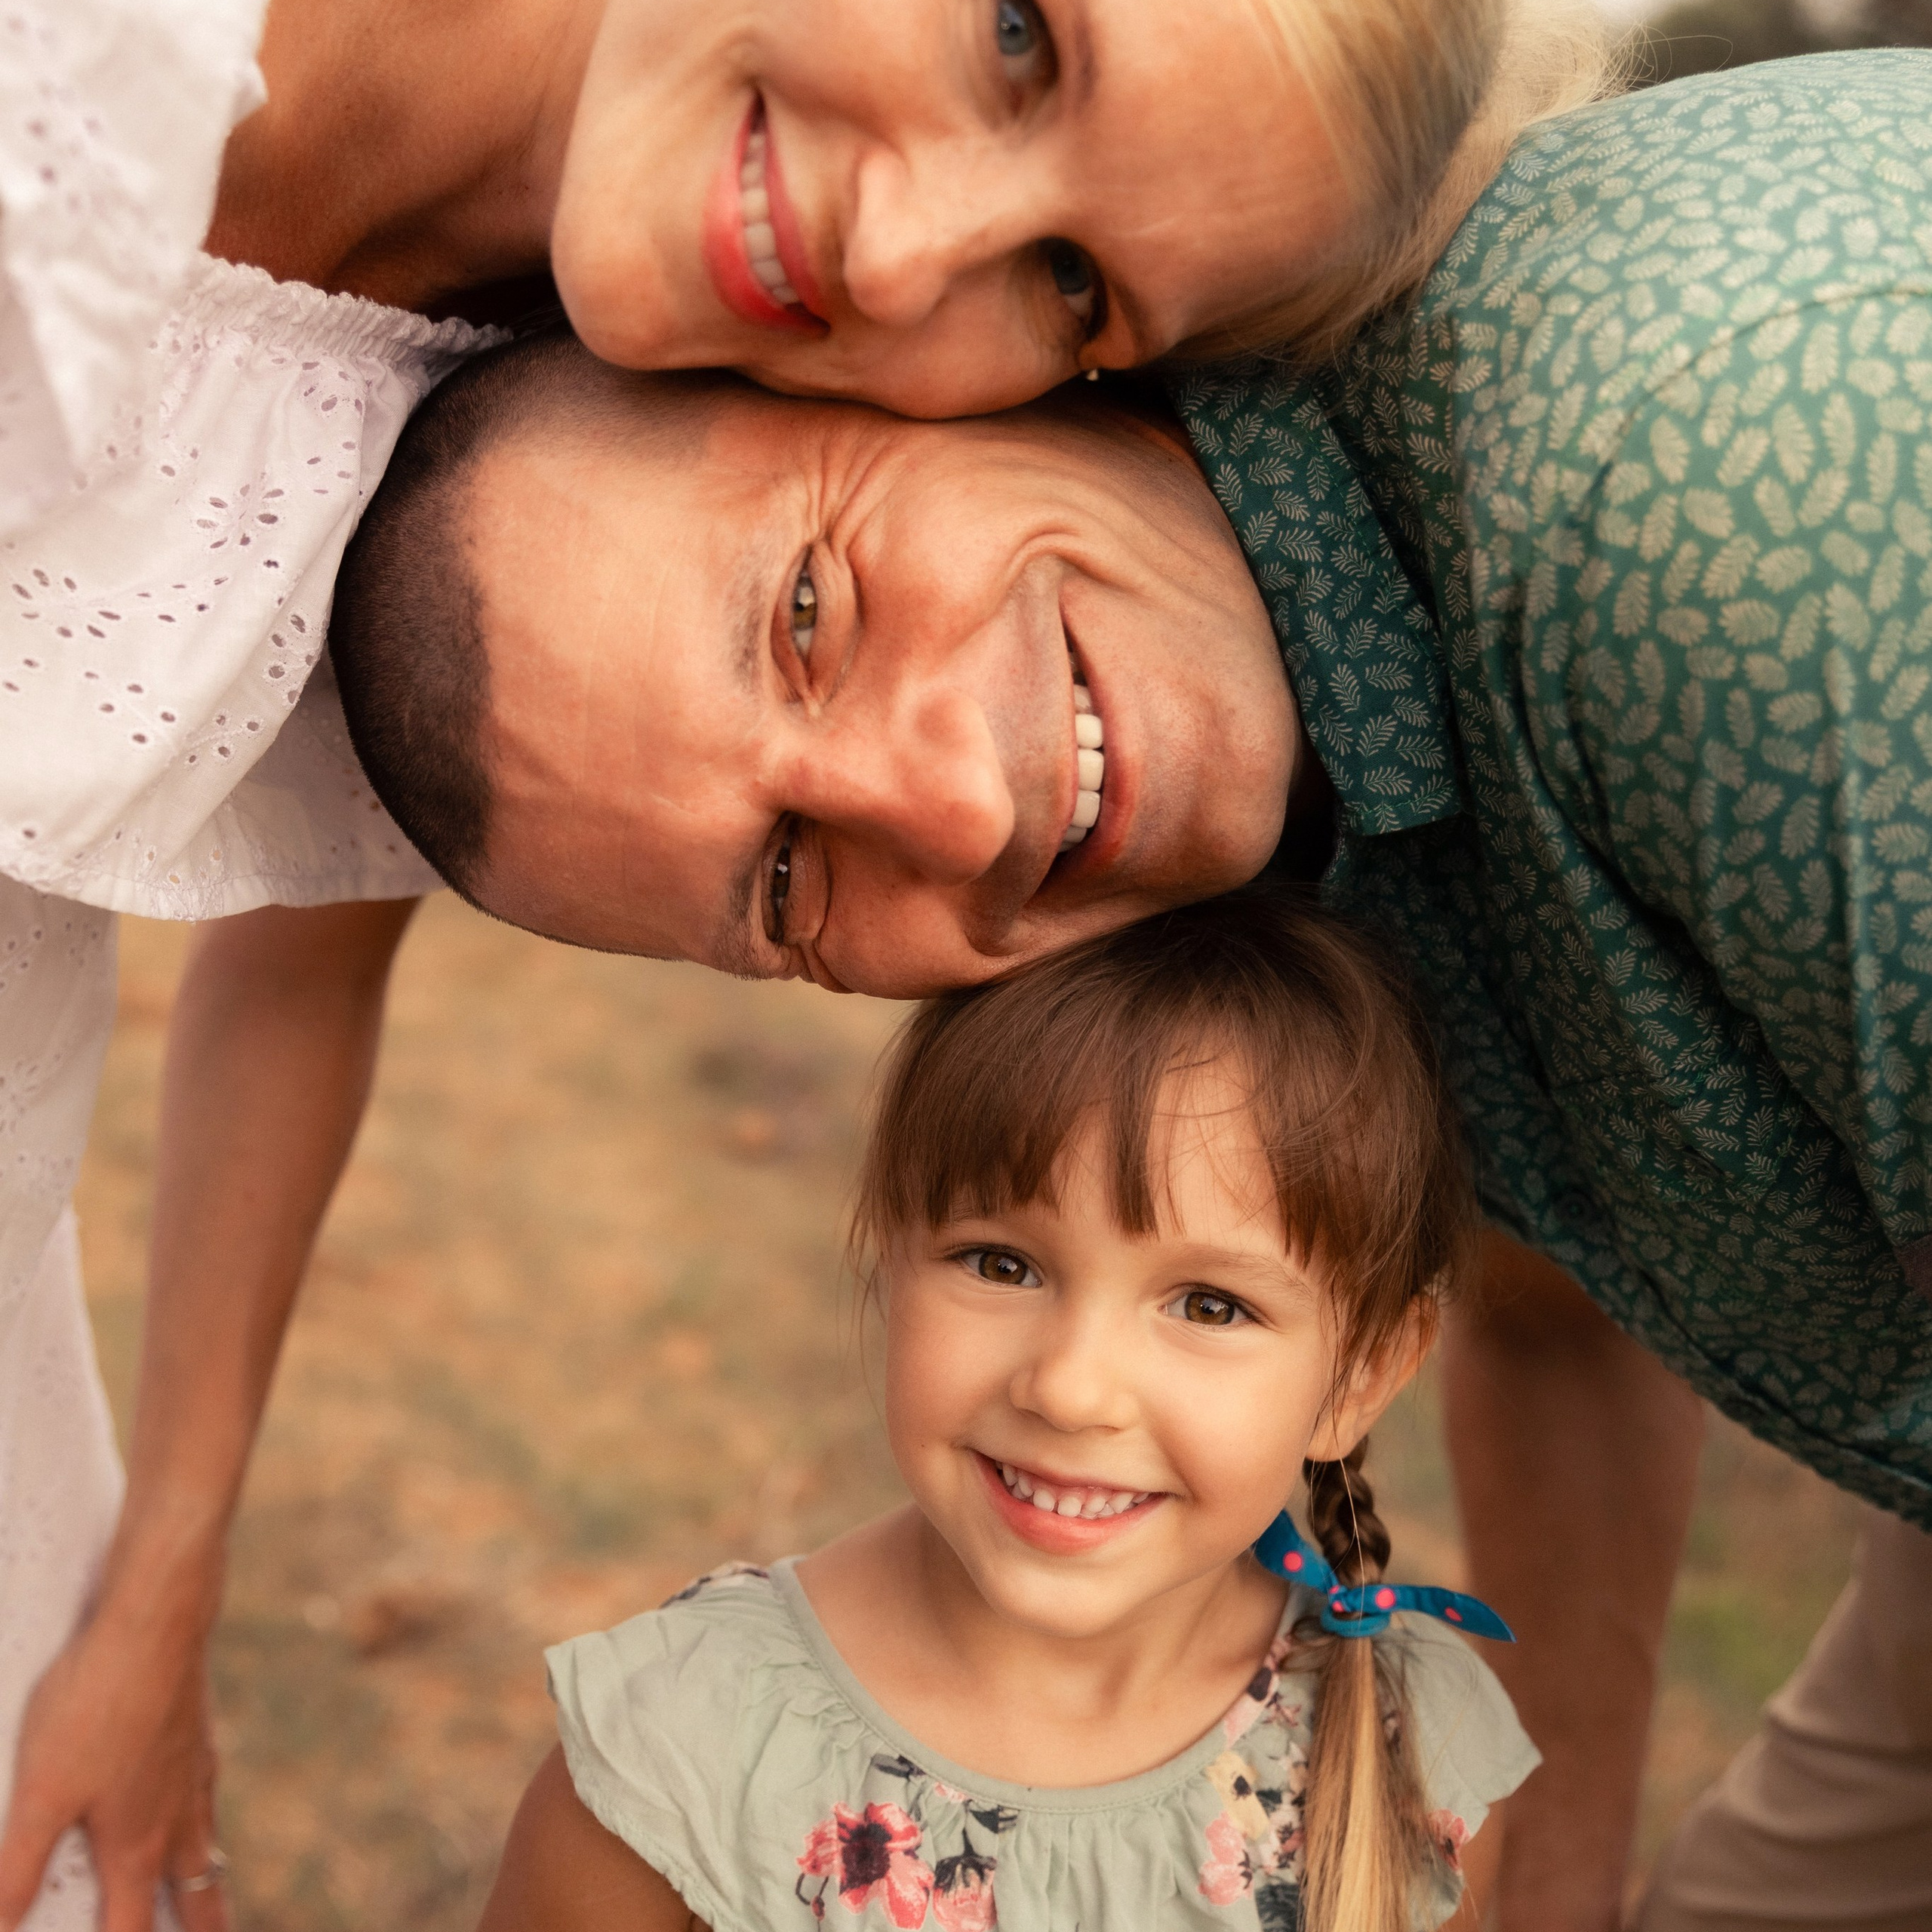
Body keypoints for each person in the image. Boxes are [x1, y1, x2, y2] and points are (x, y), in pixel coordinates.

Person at [0, 0, 1612, 1924]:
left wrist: (156, 1579)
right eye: (1013, 34)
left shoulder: (600, 379)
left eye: (1074, 290)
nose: (909, 248)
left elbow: (311, 952)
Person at [332, 48, 1932, 1924]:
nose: (944, 798)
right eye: (784, 882)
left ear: (912, 361)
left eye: (811, 606)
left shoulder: (1689, 500)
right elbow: (1548, 1293)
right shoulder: (1282, 787)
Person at [480, 890, 1538, 1932]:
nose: (1071, 1389)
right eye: (1003, 1263)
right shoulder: (682, 1756)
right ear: (887, 1259)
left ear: (1359, 1376)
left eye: (1209, 1305)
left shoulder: (1408, 1757)